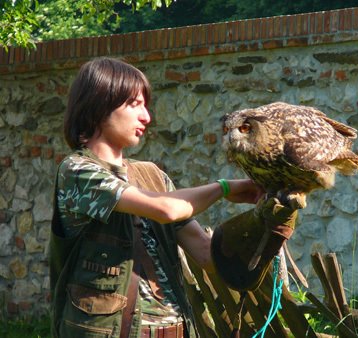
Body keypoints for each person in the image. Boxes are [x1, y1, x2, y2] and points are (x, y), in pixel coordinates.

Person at [49, 57, 294, 338]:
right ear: (99, 104)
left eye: (145, 105)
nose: (146, 117)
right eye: (134, 104)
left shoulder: (153, 176)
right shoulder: (77, 171)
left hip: (175, 330)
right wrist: (226, 188)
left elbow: (205, 254)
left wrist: (268, 223)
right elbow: (165, 209)